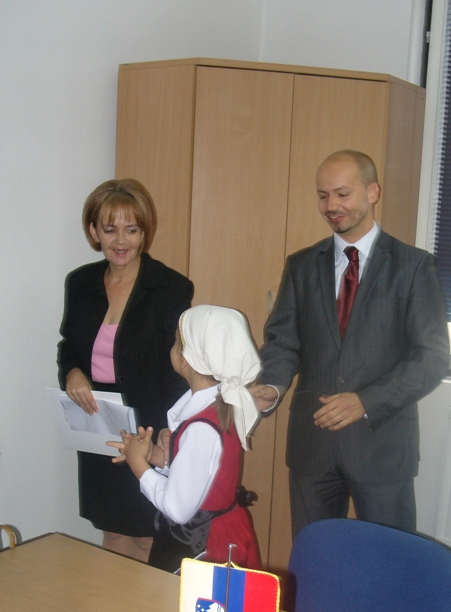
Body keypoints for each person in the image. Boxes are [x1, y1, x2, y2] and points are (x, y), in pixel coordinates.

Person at [251, 150, 450, 536]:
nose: (331, 206)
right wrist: (272, 386)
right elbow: (282, 342)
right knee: (315, 558)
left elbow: (432, 358)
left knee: (389, 561)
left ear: (373, 192)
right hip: (313, 446)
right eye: (323, 195)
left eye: (342, 194)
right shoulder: (301, 265)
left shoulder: (413, 266)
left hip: (382, 447)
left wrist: (366, 401)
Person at [57, 178, 193, 562]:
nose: (121, 241)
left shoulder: (170, 287)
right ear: (93, 232)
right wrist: (72, 373)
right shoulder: (80, 282)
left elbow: (177, 368)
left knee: (147, 532)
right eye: (110, 229)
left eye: (131, 230)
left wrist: (169, 430)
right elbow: (69, 345)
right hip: (98, 421)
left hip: (148, 424)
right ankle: (110, 602)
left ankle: (140, 604)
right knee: (112, 529)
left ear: (144, 233)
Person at [108, 305, 262, 573]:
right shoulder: (220, 404)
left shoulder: (202, 426)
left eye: (176, 342)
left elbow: (177, 508)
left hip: (204, 544)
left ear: (186, 359)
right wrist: (155, 457)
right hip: (217, 530)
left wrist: (139, 466)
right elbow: (200, 475)